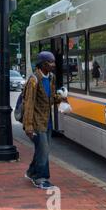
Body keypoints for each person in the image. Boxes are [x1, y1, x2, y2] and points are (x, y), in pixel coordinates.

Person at [23, 51, 66, 189]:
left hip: (47, 120)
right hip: (36, 122)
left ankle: (31, 172)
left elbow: (50, 98)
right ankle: (40, 178)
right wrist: (28, 126)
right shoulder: (34, 80)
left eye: (54, 62)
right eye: (50, 62)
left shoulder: (51, 77)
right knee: (44, 149)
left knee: (42, 149)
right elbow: (29, 104)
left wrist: (61, 98)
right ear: (42, 64)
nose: (53, 65)